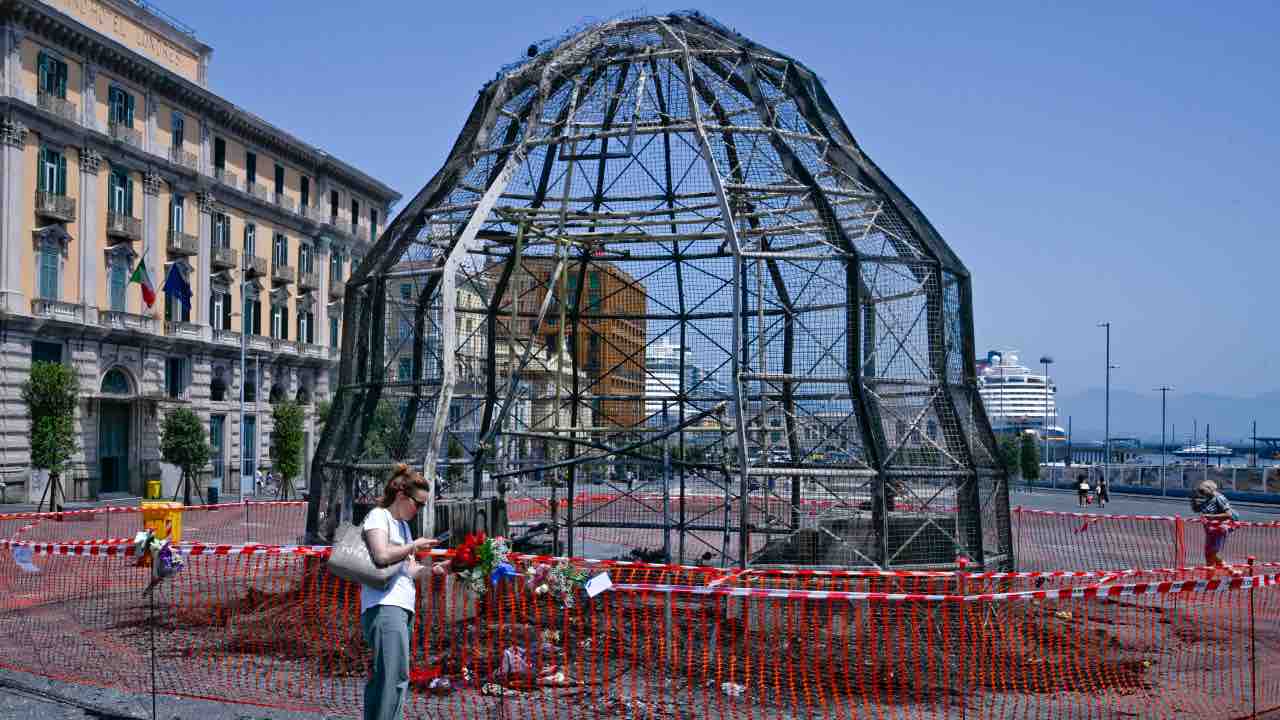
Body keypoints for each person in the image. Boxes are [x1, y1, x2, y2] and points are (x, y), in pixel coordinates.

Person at [360, 463, 439, 720]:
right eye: (419, 504)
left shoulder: (403, 526)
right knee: (391, 677)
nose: (420, 510)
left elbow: (409, 572)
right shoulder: (378, 517)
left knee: (394, 676)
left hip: (401, 607)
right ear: (402, 496)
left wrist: (439, 570)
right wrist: (413, 546)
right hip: (385, 607)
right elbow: (381, 555)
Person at [1190, 480, 1239, 569]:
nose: (1202, 493)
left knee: (1212, 553)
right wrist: (1193, 498)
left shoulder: (1219, 498)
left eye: (1203, 491)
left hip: (1219, 529)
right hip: (1210, 530)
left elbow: (1228, 514)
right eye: (1201, 491)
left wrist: (1210, 516)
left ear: (1211, 489)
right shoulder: (1208, 499)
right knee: (1208, 554)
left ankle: (1229, 569)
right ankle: (1211, 576)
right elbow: (1196, 509)